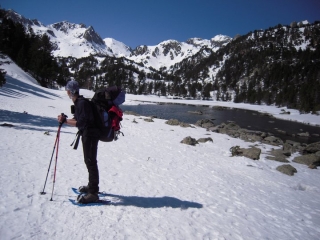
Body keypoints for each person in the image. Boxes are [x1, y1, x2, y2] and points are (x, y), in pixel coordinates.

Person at [57, 80, 100, 204]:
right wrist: (65, 120)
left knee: (91, 161)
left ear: (71, 91)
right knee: (89, 160)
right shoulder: (79, 102)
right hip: (88, 134)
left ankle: (93, 193)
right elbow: (78, 120)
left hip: (91, 135)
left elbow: (82, 123)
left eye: (67, 90)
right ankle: (91, 186)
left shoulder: (81, 103)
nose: (66, 92)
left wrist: (65, 121)